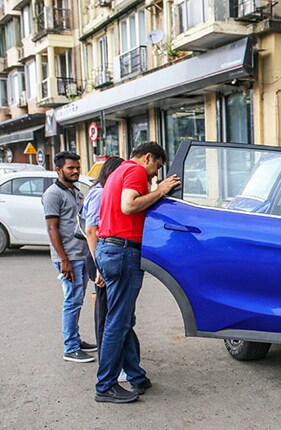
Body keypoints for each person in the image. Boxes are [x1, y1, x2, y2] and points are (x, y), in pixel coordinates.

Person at [94, 142, 180, 403]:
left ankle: (135, 375)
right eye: (156, 168)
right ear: (148, 157)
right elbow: (129, 206)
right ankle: (105, 385)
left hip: (109, 249)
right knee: (118, 321)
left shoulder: (117, 172)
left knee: (123, 318)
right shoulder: (135, 171)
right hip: (122, 252)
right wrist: (161, 191)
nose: (155, 175)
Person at [42, 151, 98, 363]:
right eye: (70, 168)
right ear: (59, 170)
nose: (76, 171)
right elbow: (52, 228)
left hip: (81, 254)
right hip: (68, 257)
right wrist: (63, 259)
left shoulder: (74, 191)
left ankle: (75, 339)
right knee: (72, 301)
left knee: (77, 299)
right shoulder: (52, 194)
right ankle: (70, 347)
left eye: (77, 167)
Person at [82, 156, 124, 354]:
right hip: (99, 256)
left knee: (106, 309)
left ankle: (108, 356)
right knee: (105, 312)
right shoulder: (100, 194)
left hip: (101, 255)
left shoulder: (99, 191)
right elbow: (91, 231)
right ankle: (106, 358)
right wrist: (99, 266)